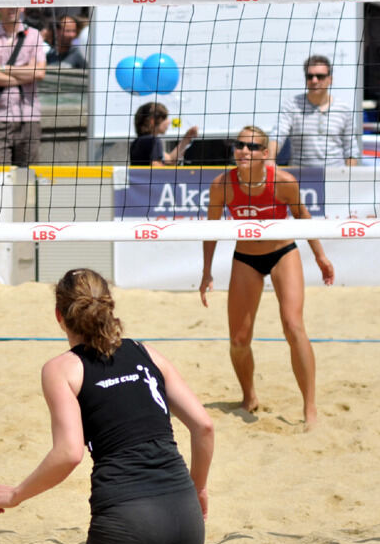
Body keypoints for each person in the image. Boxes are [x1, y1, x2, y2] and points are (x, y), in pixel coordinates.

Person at [0, 268, 214, 544]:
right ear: (109, 306)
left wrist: (15, 494)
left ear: (60, 316)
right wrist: (198, 489)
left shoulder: (62, 369)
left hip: (128, 521)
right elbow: (205, 427)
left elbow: (69, 453)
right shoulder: (147, 353)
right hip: (185, 520)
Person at [200, 126, 334, 427]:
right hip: (246, 258)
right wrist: (207, 271)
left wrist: (320, 256)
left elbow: (303, 218)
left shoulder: (283, 182)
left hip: (283, 252)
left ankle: (309, 407)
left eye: (252, 147)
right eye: (239, 146)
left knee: (293, 326)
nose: (244, 151)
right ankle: (249, 396)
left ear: (264, 153)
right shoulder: (222, 185)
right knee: (238, 339)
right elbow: (209, 230)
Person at [0, 7, 47, 165]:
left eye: (16, 4)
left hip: (28, 116)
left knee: (28, 177)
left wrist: (1, 68)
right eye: (7, 3)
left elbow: (40, 73)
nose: (12, 8)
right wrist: (25, 73)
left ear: (23, 7)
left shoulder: (34, 35)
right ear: (0, 7)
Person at [269, 55, 360, 167]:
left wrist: (348, 178)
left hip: (336, 176)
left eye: (320, 76)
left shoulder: (343, 109)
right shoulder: (292, 105)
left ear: (330, 79)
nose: (314, 80)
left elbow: (351, 149)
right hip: (301, 176)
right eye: (309, 76)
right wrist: (270, 161)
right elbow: (277, 135)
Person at [129, 102, 198, 166]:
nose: (169, 121)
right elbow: (156, 167)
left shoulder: (137, 142)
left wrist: (187, 137)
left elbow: (170, 159)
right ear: (152, 121)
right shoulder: (154, 141)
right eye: (165, 118)